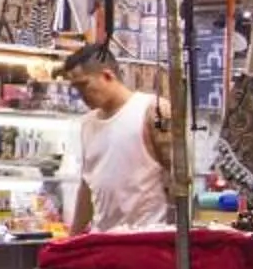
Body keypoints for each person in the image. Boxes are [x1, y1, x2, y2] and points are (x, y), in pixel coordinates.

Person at [62, 43, 172, 235]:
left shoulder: (153, 110)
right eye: (76, 88)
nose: (81, 95)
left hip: (147, 236)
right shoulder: (87, 124)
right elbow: (87, 187)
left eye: (84, 85)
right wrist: (72, 238)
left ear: (107, 76)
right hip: (103, 238)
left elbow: (178, 177)